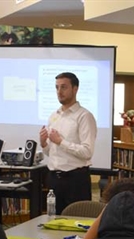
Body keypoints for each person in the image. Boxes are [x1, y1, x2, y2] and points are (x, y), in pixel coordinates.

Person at [39, 72, 97, 214]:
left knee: (76, 222)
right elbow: (52, 152)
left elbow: (87, 152)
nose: (59, 91)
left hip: (75, 180)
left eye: (64, 87)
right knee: (53, 222)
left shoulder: (84, 116)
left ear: (75, 89)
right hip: (54, 179)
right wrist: (44, 144)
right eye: (57, 87)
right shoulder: (54, 116)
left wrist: (61, 141)